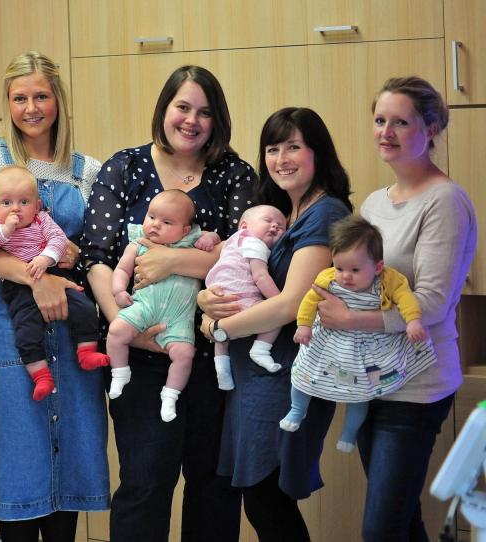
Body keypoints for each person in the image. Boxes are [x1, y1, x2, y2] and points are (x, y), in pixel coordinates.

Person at [81, 65, 251, 541]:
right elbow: (95, 257)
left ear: (218, 120)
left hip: (213, 354)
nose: (192, 120)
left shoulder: (234, 174)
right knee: (144, 483)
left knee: (214, 485)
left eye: (205, 112)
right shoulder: (125, 167)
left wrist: (172, 262)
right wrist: (126, 325)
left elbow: (243, 258)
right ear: (164, 109)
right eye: (183, 107)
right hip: (136, 356)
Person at [0, 51, 109, 541]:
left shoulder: (88, 169)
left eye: (41, 95)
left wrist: (65, 259)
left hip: (74, 330)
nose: (31, 107)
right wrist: (35, 279)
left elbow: (91, 252)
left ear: (58, 101)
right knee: (20, 472)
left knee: (72, 471)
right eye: (19, 98)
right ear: (8, 103)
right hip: (10, 328)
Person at [322, 76, 475, 541]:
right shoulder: (373, 203)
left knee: (381, 530)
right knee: (402, 523)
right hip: (372, 381)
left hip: (417, 386)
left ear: (430, 129)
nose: (386, 131)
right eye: (380, 120)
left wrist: (350, 319)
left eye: (401, 122)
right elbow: (357, 280)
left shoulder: (445, 201)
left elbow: (429, 303)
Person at [197, 107, 353, 540]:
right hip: (258, 376)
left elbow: (290, 304)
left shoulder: (326, 215)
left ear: (317, 152)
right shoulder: (286, 214)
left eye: (293, 146)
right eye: (272, 148)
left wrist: (220, 328)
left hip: (285, 376)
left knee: (267, 498)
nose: (281, 158)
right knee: (262, 499)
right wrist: (205, 298)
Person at [280, 215, 434, 453]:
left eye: (354, 270)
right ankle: (297, 410)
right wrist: (304, 326)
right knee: (301, 375)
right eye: (339, 267)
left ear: (378, 267)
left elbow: (406, 300)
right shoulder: (327, 278)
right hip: (330, 342)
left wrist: (413, 322)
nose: (345, 276)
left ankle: (349, 434)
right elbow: (310, 301)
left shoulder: (390, 281)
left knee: (361, 393)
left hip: (368, 345)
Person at [0, 165, 109, 401]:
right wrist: (5, 230)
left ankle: (86, 351)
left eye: (24, 202)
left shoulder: (42, 221)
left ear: (37, 206)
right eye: (6, 203)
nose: (15, 208)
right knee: (26, 330)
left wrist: (45, 258)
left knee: (85, 307)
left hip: (55, 274)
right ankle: (41, 376)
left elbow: (59, 240)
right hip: (17, 285)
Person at [106, 190, 219, 422]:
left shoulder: (193, 240)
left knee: (185, 354)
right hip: (144, 306)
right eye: (151, 217)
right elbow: (122, 269)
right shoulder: (138, 243)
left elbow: (217, 242)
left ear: (185, 230)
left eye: (166, 222)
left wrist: (211, 238)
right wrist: (118, 291)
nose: (155, 225)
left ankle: (170, 395)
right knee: (116, 331)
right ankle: (119, 372)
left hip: (179, 318)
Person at [204, 204, 288, 390]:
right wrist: (278, 300)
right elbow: (260, 276)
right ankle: (261, 349)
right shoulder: (254, 243)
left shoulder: (233, 241)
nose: (274, 226)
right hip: (241, 296)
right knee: (275, 317)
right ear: (244, 226)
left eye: (281, 226)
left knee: (221, 338)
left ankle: (222, 368)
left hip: (218, 293)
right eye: (268, 220)